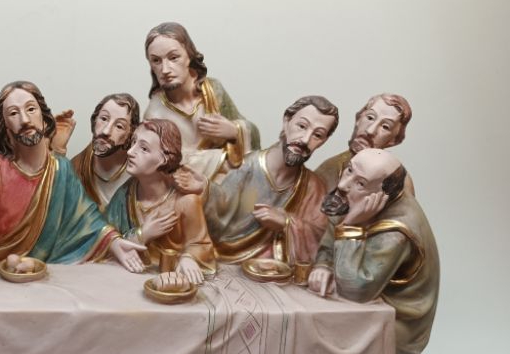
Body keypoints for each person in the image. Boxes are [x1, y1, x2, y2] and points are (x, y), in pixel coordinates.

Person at [0, 81, 145, 275]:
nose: (25, 120)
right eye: (13, 113)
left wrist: (114, 242)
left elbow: (88, 218)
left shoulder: (61, 169)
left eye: (31, 109)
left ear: (45, 119)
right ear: (6, 128)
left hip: (48, 272)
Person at [309, 149, 439, 354]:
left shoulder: (396, 231)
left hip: (402, 316)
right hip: (371, 292)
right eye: (349, 170)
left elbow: (356, 290)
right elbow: (332, 231)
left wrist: (352, 227)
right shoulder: (361, 202)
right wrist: (323, 264)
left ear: (381, 194)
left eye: (359, 182)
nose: (344, 184)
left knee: (330, 333)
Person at [202, 95, 337, 264]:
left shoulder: (314, 188)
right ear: (286, 121)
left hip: (273, 270)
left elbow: (323, 239)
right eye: (302, 126)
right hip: (225, 261)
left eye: (317, 135)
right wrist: (204, 189)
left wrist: (286, 223)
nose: (305, 140)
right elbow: (220, 214)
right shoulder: (246, 167)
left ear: (324, 141)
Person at [142, 21, 260, 181]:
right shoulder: (154, 113)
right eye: (156, 61)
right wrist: (218, 160)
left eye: (173, 58)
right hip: (187, 186)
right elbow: (164, 165)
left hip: (230, 183)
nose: (165, 70)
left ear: (189, 56)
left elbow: (251, 135)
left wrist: (234, 130)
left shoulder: (212, 90)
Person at [104, 120, 216, 286]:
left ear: (164, 158)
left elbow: (200, 244)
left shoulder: (185, 202)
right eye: (133, 142)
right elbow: (105, 239)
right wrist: (143, 234)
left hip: (172, 282)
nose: (130, 152)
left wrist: (189, 258)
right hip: (129, 278)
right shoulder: (125, 195)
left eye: (144, 148)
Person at [315, 92, 415, 194]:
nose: (370, 131)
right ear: (358, 118)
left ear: (393, 140)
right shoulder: (330, 167)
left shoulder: (397, 183)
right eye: (370, 117)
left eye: (385, 127)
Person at [70, 92, 140, 210]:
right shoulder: (77, 167)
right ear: (94, 120)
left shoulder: (140, 170)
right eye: (104, 119)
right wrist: (58, 149)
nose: (106, 131)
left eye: (119, 126)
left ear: (130, 134)